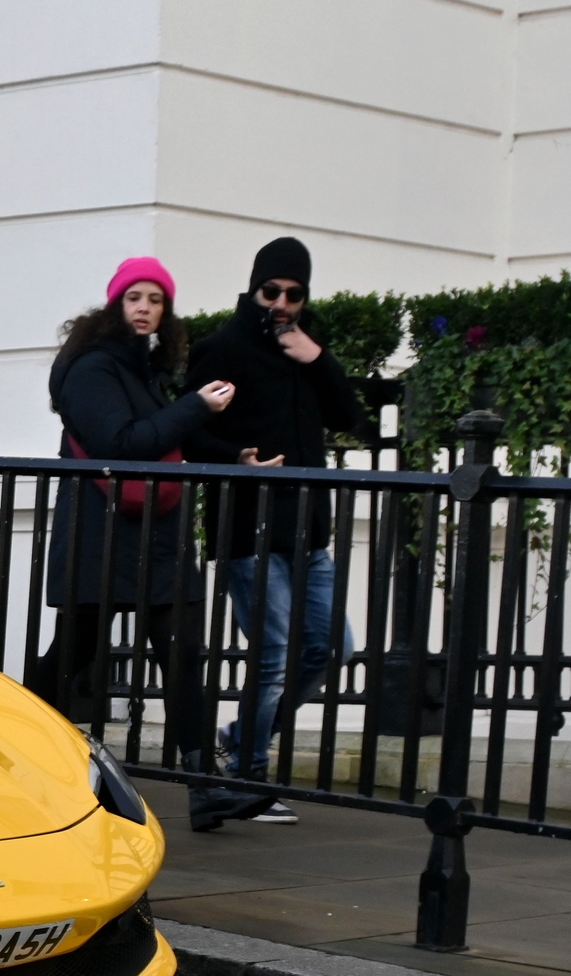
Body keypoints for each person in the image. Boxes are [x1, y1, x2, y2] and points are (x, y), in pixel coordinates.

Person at [37, 256, 258, 831]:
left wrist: (234, 457)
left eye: (155, 299)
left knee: (183, 656)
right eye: (134, 297)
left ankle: (205, 787)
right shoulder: (91, 368)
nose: (144, 308)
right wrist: (196, 405)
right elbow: (124, 442)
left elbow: (168, 446)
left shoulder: (146, 370)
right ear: (115, 304)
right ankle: (8, 745)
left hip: (156, 541)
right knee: (69, 660)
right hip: (101, 538)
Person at [186, 236, 370, 823]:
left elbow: (352, 420)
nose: (283, 303)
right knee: (274, 653)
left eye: (294, 293)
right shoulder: (222, 348)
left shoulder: (307, 349)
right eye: (273, 291)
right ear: (254, 288)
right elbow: (189, 434)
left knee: (332, 646)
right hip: (249, 529)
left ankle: (239, 740)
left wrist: (316, 358)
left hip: (308, 531)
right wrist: (235, 459)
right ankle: (248, 779)